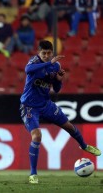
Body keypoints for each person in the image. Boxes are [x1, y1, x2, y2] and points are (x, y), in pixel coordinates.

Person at [19, 40, 101, 184]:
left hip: (46, 104)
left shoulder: (56, 66)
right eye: (43, 53)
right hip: (29, 106)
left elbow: (56, 89)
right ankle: (33, 174)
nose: (45, 55)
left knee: (69, 126)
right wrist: (49, 63)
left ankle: (84, 146)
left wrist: (58, 79)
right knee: (37, 136)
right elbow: (28, 70)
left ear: (52, 53)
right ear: (39, 53)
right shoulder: (34, 62)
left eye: (48, 53)